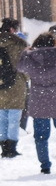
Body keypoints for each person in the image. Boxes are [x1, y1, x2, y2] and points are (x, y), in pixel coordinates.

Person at [19, 31, 56, 174]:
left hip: (39, 103)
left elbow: (20, 66)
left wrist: (26, 52)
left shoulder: (31, 59)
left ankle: (45, 165)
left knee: (41, 136)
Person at [0, 15, 25, 158]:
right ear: (11, 29)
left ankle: (4, 148)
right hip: (16, 85)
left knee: (2, 116)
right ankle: (12, 147)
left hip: (0, 86)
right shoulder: (19, 44)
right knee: (14, 118)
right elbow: (24, 66)